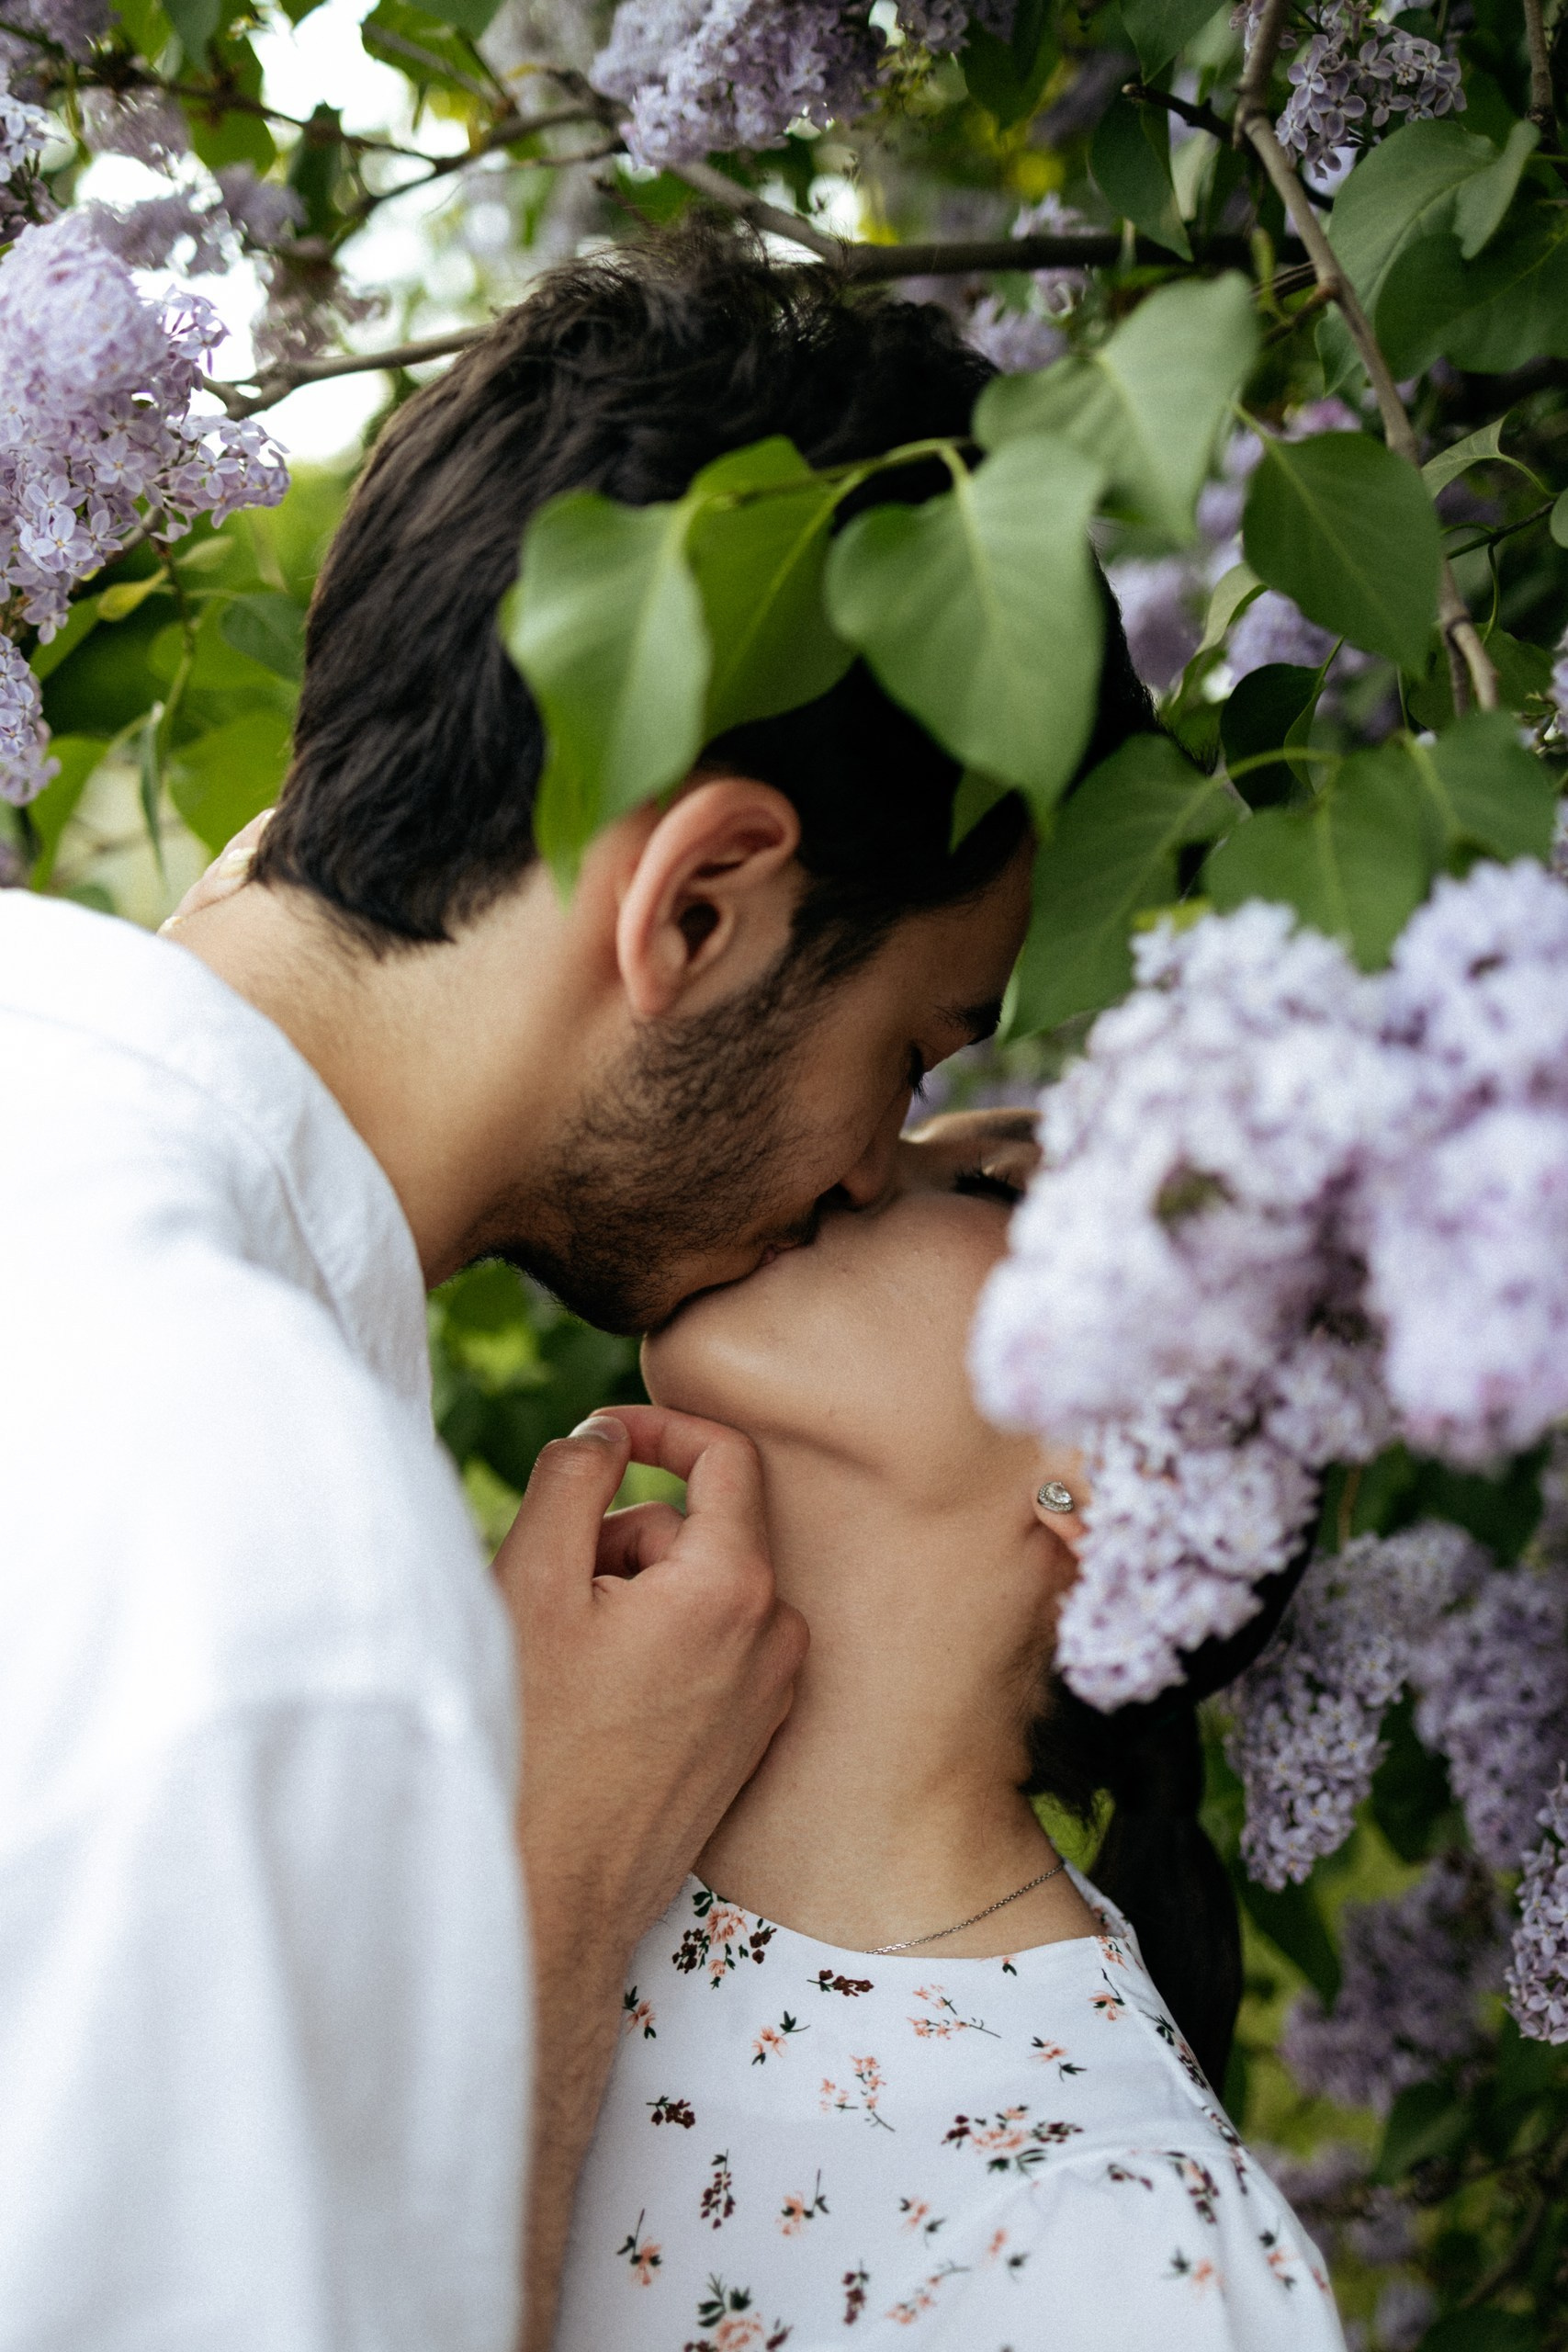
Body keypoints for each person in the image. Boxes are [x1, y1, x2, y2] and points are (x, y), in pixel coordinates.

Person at [0, 225, 1153, 2350]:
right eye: (908, 1047)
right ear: (700, 904)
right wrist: (560, 1874)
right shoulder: (265, 1561)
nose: (859, 1169)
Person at [552, 1112, 1348, 2352]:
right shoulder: (518, 1850)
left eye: (983, 1182)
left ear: (1117, 1474)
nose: (856, 1154)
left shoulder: (1117, 2246)